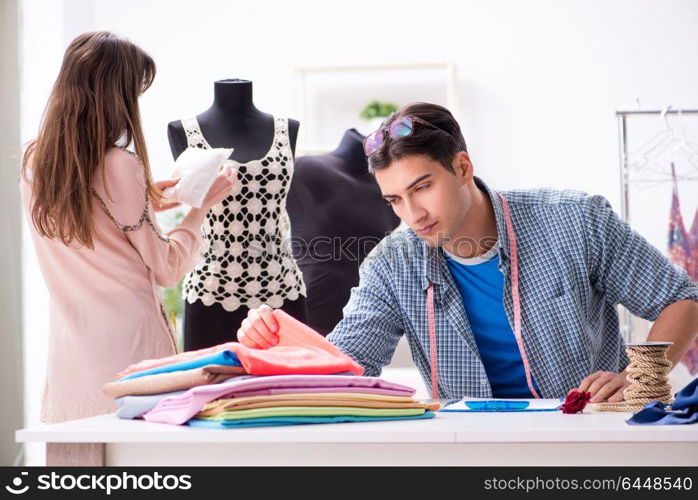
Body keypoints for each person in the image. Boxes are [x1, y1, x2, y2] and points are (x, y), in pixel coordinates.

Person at [235, 102, 698, 403]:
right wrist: (283, 341)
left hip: (587, 439)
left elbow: (681, 297)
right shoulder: (391, 264)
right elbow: (348, 367)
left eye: (422, 188)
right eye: (394, 199)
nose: (412, 214)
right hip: (470, 451)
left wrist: (642, 374)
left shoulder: (577, 221)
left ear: (462, 166)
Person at [19, 31, 236, 423]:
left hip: (71, 354)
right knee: (147, 471)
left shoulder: (35, 162)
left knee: (78, 468)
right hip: (132, 351)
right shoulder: (121, 164)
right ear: (114, 94)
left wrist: (149, 198)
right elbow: (167, 268)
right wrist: (198, 208)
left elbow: (87, 216)